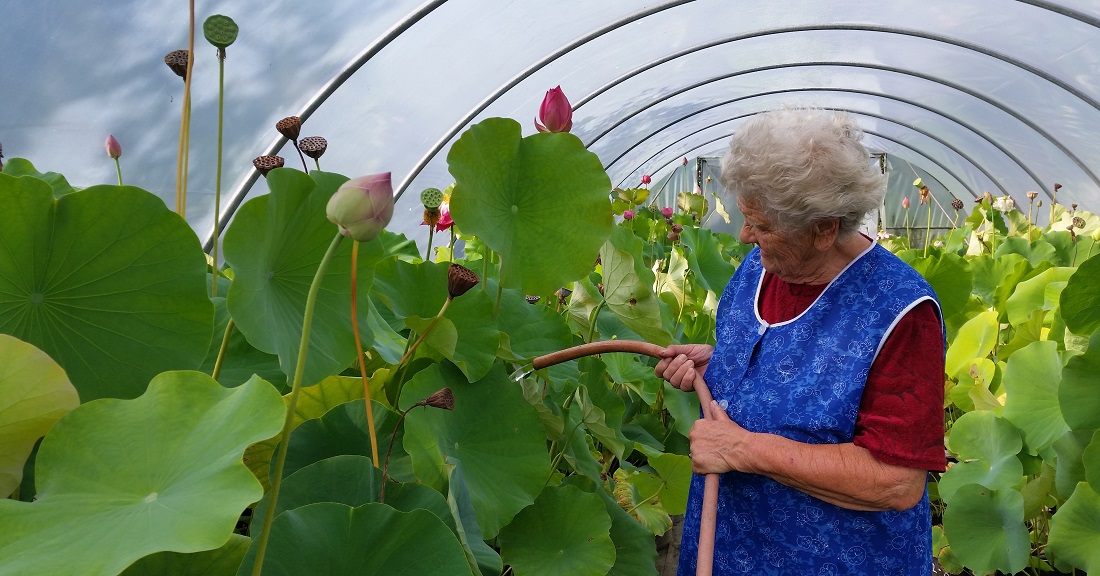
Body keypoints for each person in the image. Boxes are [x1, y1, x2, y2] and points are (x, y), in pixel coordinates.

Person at [655, 108, 946, 575]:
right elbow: (789, 368)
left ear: (824, 229)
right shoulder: (761, 267)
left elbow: (896, 481)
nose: (746, 235)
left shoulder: (898, 310)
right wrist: (721, 366)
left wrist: (743, 449)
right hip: (727, 545)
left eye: (763, 225)